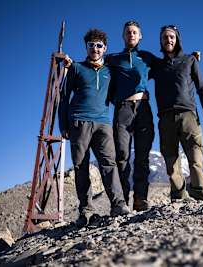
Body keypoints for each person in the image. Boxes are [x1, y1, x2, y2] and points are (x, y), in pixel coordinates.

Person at [59, 28, 129, 227]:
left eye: (99, 46)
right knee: (81, 167)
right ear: (86, 47)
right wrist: (63, 125)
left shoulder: (110, 71)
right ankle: (86, 211)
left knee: (109, 163)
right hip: (79, 122)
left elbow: (118, 93)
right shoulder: (76, 68)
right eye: (92, 45)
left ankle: (118, 204)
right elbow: (63, 97)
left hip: (103, 123)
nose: (95, 49)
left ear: (105, 48)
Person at [151, 25, 203, 201]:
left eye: (171, 37)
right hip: (165, 117)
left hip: (188, 115)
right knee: (171, 161)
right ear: (161, 42)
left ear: (177, 39)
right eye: (164, 37)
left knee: (196, 158)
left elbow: (201, 86)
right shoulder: (156, 65)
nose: (168, 40)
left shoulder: (189, 60)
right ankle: (178, 196)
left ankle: (199, 194)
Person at [106, 21, 156, 211]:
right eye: (128, 32)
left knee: (142, 156)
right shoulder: (114, 59)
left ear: (140, 36)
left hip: (143, 108)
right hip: (123, 110)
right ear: (123, 36)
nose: (131, 35)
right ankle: (122, 201)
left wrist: (189, 58)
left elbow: (170, 63)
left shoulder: (147, 57)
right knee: (122, 156)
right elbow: (94, 66)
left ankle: (140, 198)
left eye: (135, 32)